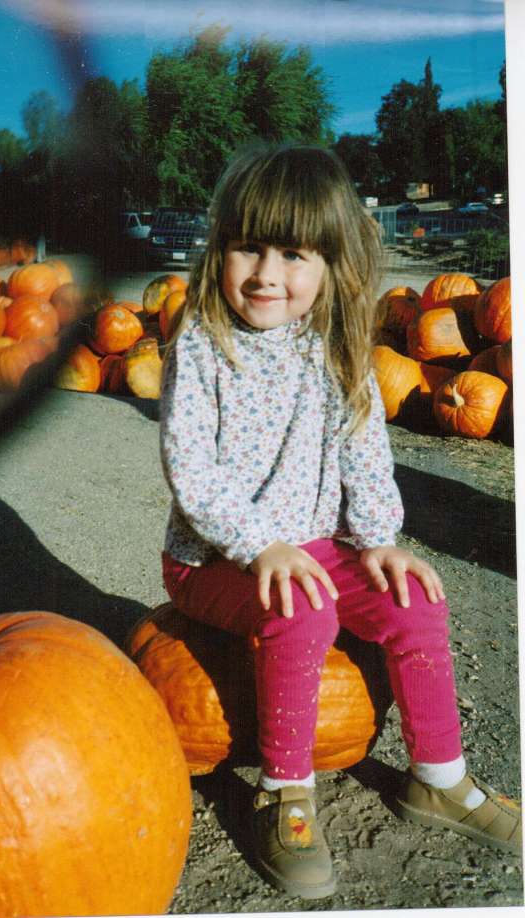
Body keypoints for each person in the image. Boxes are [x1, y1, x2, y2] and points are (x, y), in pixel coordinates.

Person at [158, 143, 521, 900]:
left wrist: (380, 542)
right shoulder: (200, 343)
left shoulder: (341, 349)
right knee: (302, 605)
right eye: (246, 247)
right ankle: (283, 791)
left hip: (322, 544)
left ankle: (437, 778)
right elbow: (192, 472)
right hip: (213, 557)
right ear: (219, 248)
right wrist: (261, 546)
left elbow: (364, 456)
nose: (265, 273)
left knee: (416, 598)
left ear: (331, 265)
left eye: (292, 254)